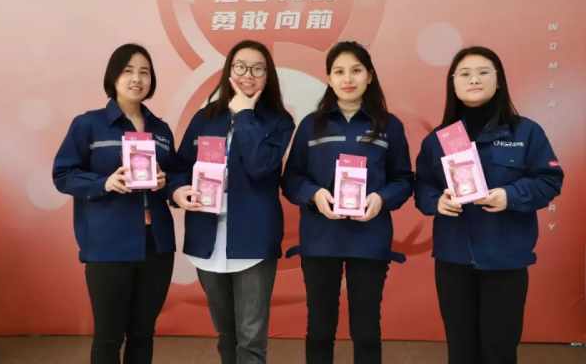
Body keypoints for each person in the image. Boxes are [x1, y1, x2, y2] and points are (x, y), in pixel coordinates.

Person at [414, 46, 564, 364]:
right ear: (453, 83)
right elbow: (422, 185)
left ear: (498, 80)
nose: (474, 80)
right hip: (453, 260)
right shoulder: (438, 139)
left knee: (499, 350)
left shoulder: (526, 132)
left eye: (484, 72)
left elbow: (549, 180)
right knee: (461, 350)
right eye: (465, 74)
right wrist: (436, 201)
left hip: (506, 259)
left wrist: (510, 195)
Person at [281, 41, 415, 364]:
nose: (348, 79)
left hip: (369, 239)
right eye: (339, 72)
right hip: (320, 239)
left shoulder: (389, 126)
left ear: (369, 75)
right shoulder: (312, 125)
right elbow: (291, 178)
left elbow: (403, 179)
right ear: (329, 78)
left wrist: (381, 199)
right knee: (320, 329)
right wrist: (314, 194)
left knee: (367, 331)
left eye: (356, 70)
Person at [170, 40, 295, 364]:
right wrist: (177, 191)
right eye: (240, 66)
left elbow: (261, 166)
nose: (247, 75)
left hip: (253, 239)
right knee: (226, 332)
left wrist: (245, 116)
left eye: (257, 68)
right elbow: (180, 167)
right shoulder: (205, 117)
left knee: (251, 339)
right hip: (207, 236)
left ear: (268, 76)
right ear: (228, 71)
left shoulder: (279, 121)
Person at [52, 43, 177, 364]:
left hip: (157, 245)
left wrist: (166, 183)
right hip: (108, 244)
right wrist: (104, 183)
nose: (137, 79)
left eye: (144, 72)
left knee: (143, 333)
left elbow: (175, 176)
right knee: (108, 337)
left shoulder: (161, 130)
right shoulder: (89, 124)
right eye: (128, 71)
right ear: (113, 77)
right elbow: (63, 174)